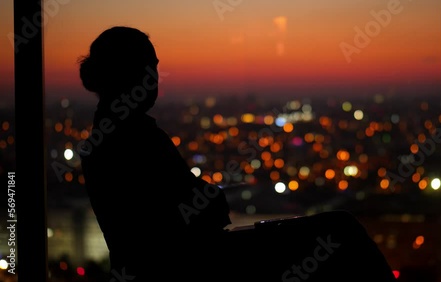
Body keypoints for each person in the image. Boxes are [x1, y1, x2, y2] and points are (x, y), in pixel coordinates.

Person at [78, 26, 397, 281]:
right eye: (150, 70)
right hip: (195, 266)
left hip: (176, 267)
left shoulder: (107, 138)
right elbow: (189, 217)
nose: (155, 81)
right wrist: (210, 200)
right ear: (130, 75)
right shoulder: (138, 138)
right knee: (340, 229)